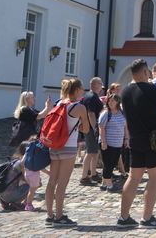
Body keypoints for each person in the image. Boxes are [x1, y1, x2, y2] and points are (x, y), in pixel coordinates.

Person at [118, 59, 156, 229]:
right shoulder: (152, 89)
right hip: (155, 139)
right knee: (154, 179)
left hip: (136, 138)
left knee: (133, 178)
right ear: (146, 72)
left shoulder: (126, 91)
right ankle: (147, 217)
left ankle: (124, 217)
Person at [45, 78, 91, 227]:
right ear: (77, 90)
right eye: (82, 88)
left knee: (52, 181)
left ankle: (50, 215)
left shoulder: (59, 103)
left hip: (54, 145)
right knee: (63, 183)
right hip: (69, 146)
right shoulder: (79, 107)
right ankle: (60, 216)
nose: (83, 90)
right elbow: (87, 129)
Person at [98, 93, 128, 192]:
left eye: (113, 101)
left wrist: (126, 138)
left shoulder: (122, 113)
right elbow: (101, 128)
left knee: (113, 162)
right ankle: (110, 186)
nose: (110, 103)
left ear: (117, 102)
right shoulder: (106, 113)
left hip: (118, 143)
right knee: (108, 164)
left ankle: (103, 184)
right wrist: (103, 142)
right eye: (109, 101)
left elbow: (125, 126)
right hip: (108, 143)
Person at [79, 76, 104, 185]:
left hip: (88, 127)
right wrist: (95, 128)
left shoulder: (89, 96)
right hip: (90, 128)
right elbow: (91, 113)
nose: (101, 88)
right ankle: (84, 176)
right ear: (96, 85)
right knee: (90, 151)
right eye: (100, 84)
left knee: (94, 151)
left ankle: (93, 174)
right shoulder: (92, 97)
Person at [0, 140, 32, 211]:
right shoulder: (22, 164)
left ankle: (5, 201)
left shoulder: (15, 162)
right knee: (32, 186)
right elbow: (26, 179)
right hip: (10, 195)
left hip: (3, 194)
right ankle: (16, 202)